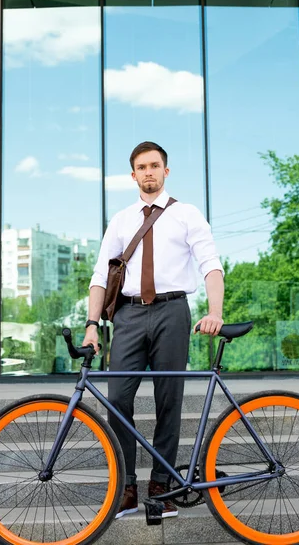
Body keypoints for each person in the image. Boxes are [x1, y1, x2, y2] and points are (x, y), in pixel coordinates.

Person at [83, 141, 224, 519]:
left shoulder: (187, 214)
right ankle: (126, 485)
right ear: (133, 175)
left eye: (155, 165)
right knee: (117, 399)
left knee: (169, 402)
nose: (149, 172)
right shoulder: (121, 219)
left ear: (166, 171)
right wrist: (92, 325)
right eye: (141, 167)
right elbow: (101, 275)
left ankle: (161, 484)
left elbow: (211, 264)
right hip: (128, 316)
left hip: (172, 311)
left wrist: (215, 311)